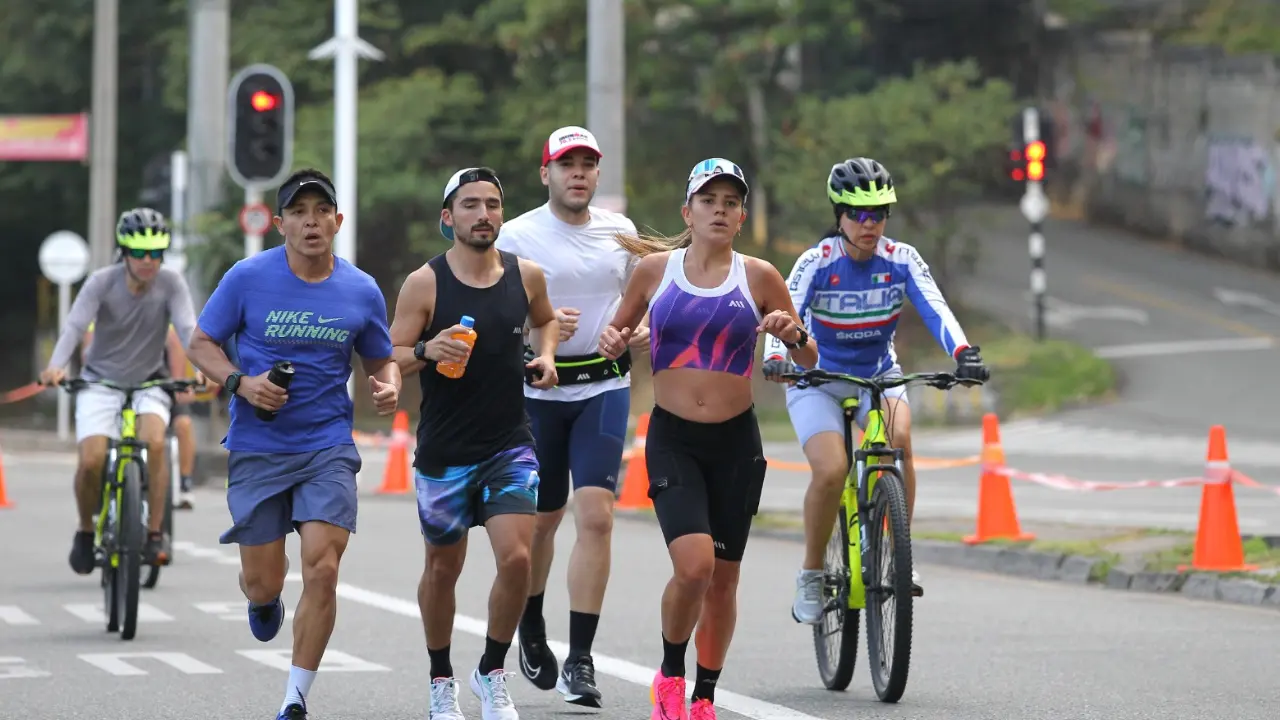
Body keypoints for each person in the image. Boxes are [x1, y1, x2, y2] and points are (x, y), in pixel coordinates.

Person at [597, 158, 818, 720]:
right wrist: (614, 339)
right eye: (709, 201)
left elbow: (808, 355)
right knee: (694, 566)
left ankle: (704, 695)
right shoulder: (655, 273)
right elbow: (616, 338)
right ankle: (671, 671)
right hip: (673, 437)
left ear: (741, 217)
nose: (720, 211)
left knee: (723, 581)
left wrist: (793, 335)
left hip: (736, 443)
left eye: (730, 203)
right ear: (687, 212)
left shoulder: (761, 276)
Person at [185, 168, 401, 720]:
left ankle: (295, 698)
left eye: (321, 210)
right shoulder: (247, 276)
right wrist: (241, 383)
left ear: (337, 220)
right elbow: (201, 341)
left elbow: (380, 355)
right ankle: (264, 597)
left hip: (327, 445)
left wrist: (390, 382)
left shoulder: (360, 288)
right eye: (300, 212)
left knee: (323, 566)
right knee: (262, 581)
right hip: (259, 445)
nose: (312, 221)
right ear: (280, 223)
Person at [760, 157, 989, 622]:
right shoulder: (816, 262)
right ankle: (811, 573)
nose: (869, 225)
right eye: (858, 215)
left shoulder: (901, 259)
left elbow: (935, 308)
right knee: (830, 471)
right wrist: (777, 357)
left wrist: (963, 352)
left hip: (879, 376)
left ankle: (895, 550)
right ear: (838, 215)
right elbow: (787, 312)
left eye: (878, 214)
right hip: (817, 381)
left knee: (899, 440)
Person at [389, 166, 560, 720]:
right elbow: (390, 357)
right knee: (443, 569)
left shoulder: (526, 275)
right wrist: (428, 350)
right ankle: (442, 679)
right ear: (448, 217)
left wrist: (547, 355)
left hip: (510, 443)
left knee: (516, 557)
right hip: (444, 451)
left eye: (492, 204)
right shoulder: (425, 283)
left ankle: (491, 671)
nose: (483, 214)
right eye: (469, 205)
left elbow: (547, 321)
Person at [493, 126, 645, 707]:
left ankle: (580, 659)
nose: (577, 173)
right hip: (537, 394)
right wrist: (542, 322)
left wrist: (631, 332)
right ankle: (532, 624)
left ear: (598, 175)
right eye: (566, 164)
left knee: (598, 518)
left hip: (603, 386)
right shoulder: (516, 234)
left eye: (587, 164)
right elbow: (497, 311)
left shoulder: (621, 232)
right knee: (540, 523)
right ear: (546, 174)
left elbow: (643, 307)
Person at [40, 207, 196, 573]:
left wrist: (202, 370)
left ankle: (155, 533)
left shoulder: (172, 284)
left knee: (156, 443)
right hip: (100, 381)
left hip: (150, 382)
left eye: (156, 254)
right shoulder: (101, 283)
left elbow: (188, 330)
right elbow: (75, 327)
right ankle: (84, 529)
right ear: (124, 253)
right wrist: (56, 366)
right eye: (140, 254)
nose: (148, 262)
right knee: (91, 461)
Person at [83, 322, 205, 509]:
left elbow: (176, 348)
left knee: (183, 424)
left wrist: (179, 382)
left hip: (157, 388)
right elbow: (88, 353)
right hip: (116, 389)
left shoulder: (160, 315)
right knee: (99, 437)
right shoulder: (103, 315)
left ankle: (185, 483)